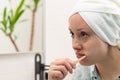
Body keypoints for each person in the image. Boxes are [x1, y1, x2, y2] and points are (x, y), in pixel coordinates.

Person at [48, 0, 120, 80]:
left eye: (83, 34)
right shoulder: (81, 73)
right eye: (72, 34)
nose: (74, 45)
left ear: (109, 34)